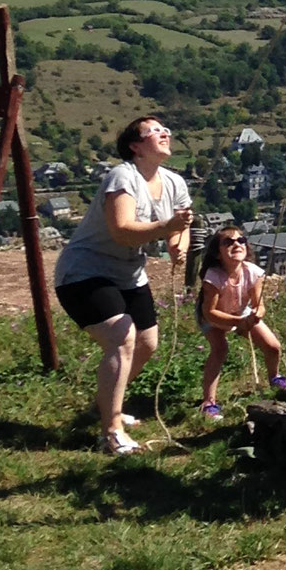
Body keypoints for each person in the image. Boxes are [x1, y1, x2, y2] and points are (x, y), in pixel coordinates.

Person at [52, 115, 192, 456]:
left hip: (129, 274)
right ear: (135, 145)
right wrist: (166, 227)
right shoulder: (122, 177)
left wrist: (179, 244)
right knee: (122, 336)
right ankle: (110, 432)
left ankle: (106, 403)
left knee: (147, 343)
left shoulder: (174, 182)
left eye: (166, 129)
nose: (164, 133)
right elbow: (122, 230)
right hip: (85, 271)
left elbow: (183, 224)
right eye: (154, 130)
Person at [196, 224, 286, 416]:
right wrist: (238, 322)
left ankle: (275, 377)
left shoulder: (253, 272)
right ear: (218, 253)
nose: (236, 244)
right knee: (219, 349)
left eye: (241, 240)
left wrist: (257, 314)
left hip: (241, 311)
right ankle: (208, 402)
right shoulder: (213, 276)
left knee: (273, 346)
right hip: (214, 317)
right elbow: (210, 312)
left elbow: (260, 304)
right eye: (228, 242)